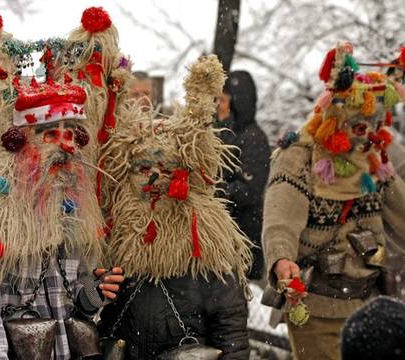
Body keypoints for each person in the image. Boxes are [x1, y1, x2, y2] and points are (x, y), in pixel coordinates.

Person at [0, 7, 123, 359]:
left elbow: (73, 305)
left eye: (71, 135)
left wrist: (95, 292)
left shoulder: (71, 206)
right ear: (22, 140)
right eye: (51, 134)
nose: (64, 146)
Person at [99, 56, 252, 359]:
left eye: (165, 169)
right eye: (143, 168)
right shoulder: (119, 236)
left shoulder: (208, 238)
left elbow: (230, 327)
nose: (154, 177)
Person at [262, 42, 405, 360]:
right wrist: (282, 259)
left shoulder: (374, 157)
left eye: (373, 126)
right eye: (358, 126)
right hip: (316, 307)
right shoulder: (299, 155)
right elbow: (281, 215)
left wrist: (385, 173)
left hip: (368, 306)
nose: (366, 134)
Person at [216, 70, 271, 280]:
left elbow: (251, 190)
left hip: (242, 237)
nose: (219, 105)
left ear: (238, 102)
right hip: (227, 238)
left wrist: (215, 190)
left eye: (223, 99)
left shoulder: (253, 138)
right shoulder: (229, 133)